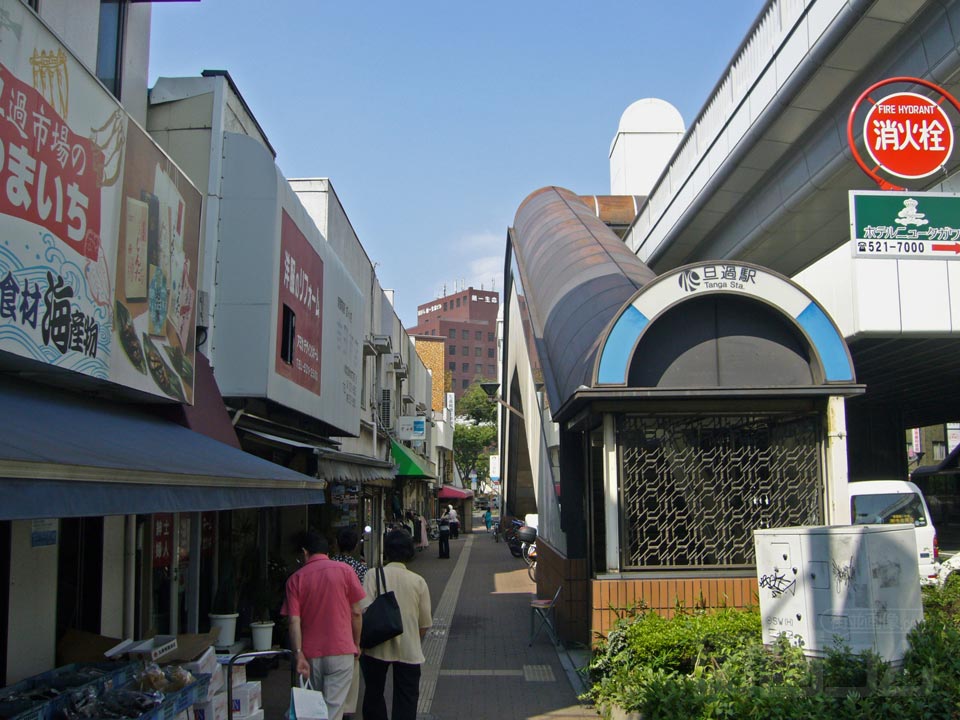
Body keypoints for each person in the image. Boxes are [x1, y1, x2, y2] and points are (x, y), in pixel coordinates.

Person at [282, 531, 365, 720]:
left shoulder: (296, 579)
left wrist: (298, 653)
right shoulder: (345, 571)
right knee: (333, 709)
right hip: (342, 650)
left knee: (312, 708)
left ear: (305, 552)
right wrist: (357, 643)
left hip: (310, 654)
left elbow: (294, 620)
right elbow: (356, 612)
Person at [359, 530, 432, 720]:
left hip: (375, 646)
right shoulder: (418, 582)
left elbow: (363, 611)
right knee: (406, 698)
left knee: (373, 694)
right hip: (409, 648)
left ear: (386, 550)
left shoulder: (372, 575)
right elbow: (424, 624)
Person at [329, 527, 368, 720]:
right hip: (348, 630)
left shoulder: (327, 565)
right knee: (348, 679)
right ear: (355, 546)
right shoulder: (360, 568)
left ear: (336, 544)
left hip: (327, 625)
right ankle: (345, 712)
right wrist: (358, 642)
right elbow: (360, 608)